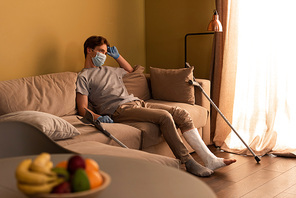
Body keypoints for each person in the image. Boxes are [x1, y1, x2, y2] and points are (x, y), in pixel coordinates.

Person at [76, 35, 236, 177]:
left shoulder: (111, 70)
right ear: (89, 50)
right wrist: (99, 117)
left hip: (137, 102)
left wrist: (118, 57)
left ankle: (210, 159)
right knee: (165, 117)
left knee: (180, 114)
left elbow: (130, 70)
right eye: (101, 51)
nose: (104, 56)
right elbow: (82, 107)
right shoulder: (83, 76)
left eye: (105, 53)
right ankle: (188, 162)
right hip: (118, 110)